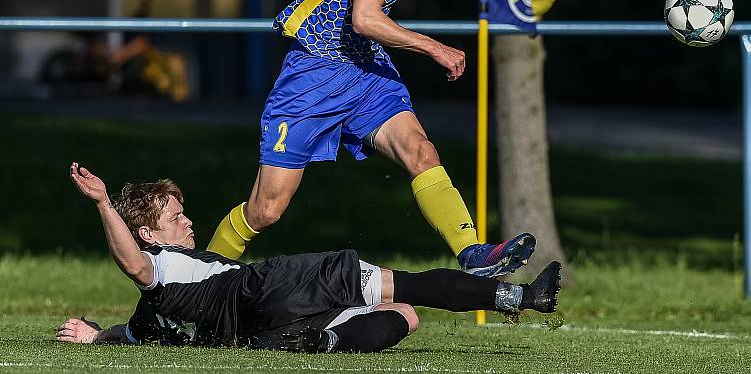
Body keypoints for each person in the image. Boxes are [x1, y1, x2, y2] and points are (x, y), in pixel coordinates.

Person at [207, 0, 537, 279]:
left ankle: (472, 252)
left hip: (365, 67)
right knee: (266, 209)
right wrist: (433, 47)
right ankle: (194, 285)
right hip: (316, 72)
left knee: (421, 151)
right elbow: (365, 17)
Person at [58, 164, 561, 352]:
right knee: (401, 287)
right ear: (147, 234)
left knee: (404, 319)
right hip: (271, 286)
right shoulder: (160, 266)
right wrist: (105, 203)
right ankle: (518, 295)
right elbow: (136, 266)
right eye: (174, 218)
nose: (187, 223)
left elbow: (133, 332)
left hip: (264, 331)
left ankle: (327, 339)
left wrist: (95, 334)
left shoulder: (154, 311)